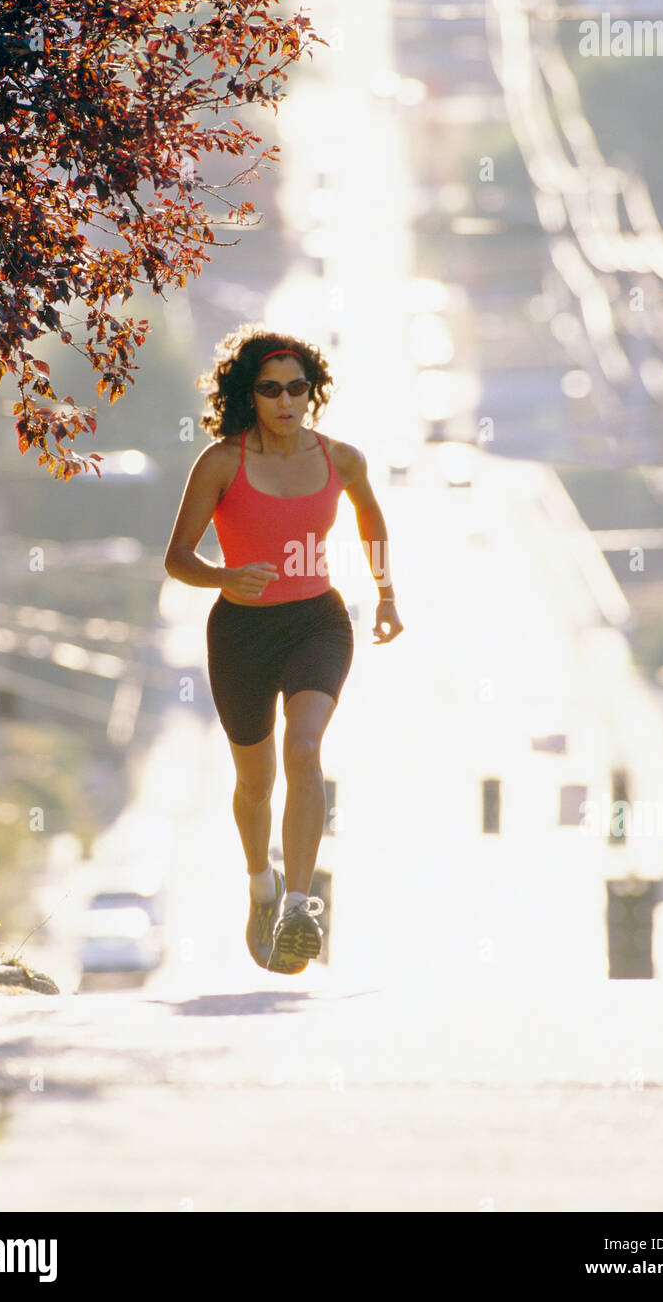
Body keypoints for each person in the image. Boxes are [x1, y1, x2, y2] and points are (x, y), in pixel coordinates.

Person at [164, 324, 403, 974]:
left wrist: (385, 594)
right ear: (251, 396)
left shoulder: (339, 458)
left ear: (312, 391)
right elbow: (177, 558)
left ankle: (298, 905)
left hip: (317, 624)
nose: (286, 399)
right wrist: (224, 576)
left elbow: (370, 516)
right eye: (271, 389)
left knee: (304, 750)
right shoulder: (221, 461)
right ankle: (260, 886)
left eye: (297, 386)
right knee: (255, 781)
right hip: (240, 633)